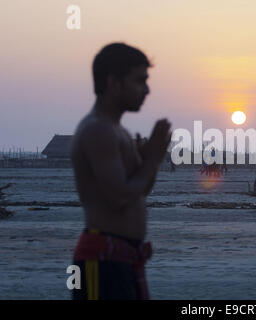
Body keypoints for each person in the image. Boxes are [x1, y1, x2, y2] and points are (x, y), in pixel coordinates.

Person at [70, 43, 171, 300]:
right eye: (140, 81)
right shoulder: (98, 130)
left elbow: (139, 191)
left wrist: (151, 160)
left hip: (123, 259)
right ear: (114, 82)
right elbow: (119, 198)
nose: (147, 90)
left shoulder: (118, 131)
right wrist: (152, 159)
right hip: (101, 261)